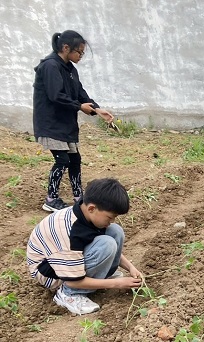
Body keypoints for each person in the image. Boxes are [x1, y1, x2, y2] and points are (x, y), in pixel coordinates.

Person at [27, 178, 143, 315]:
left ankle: (101, 277)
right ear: (92, 208)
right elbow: (73, 281)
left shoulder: (85, 214)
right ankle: (68, 295)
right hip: (52, 275)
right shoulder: (67, 231)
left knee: (115, 231)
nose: (111, 221)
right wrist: (117, 284)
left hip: (67, 262)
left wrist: (131, 267)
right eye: (109, 217)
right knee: (107, 244)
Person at [33, 30, 115, 213]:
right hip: (51, 124)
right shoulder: (50, 66)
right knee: (62, 160)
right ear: (66, 48)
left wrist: (96, 108)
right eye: (79, 52)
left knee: (75, 159)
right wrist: (79, 107)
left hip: (65, 124)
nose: (81, 56)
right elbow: (56, 96)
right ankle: (51, 198)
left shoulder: (70, 69)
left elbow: (80, 93)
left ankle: (79, 196)